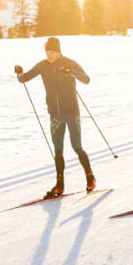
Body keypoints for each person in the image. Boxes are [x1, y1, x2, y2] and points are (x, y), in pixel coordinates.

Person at [15, 36, 96, 198]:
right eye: (47, 52)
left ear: (59, 52)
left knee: (77, 147)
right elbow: (25, 79)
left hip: (72, 112)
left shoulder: (69, 62)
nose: (50, 55)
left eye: (53, 52)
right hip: (55, 114)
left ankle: (90, 177)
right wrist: (19, 73)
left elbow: (86, 79)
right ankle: (59, 185)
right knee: (58, 151)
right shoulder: (43, 65)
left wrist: (71, 72)